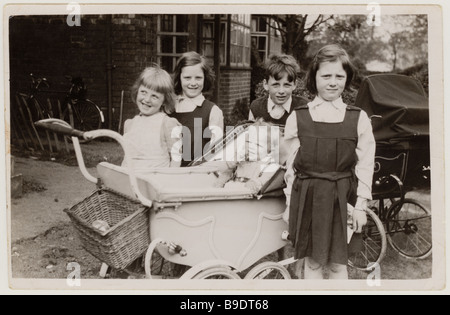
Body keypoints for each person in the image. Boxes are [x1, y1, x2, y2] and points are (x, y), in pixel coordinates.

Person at [283, 44, 376, 279]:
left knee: (338, 264)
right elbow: (290, 168)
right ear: (314, 78)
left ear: (347, 79)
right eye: (326, 76)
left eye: (339, 76)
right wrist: (289, 205)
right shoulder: (298, 117)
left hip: (342, 198)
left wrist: (361, 206)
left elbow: (365, 164)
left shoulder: (358, 118)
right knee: (312, 263)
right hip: (308, 196)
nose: (332, 82)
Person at [121, 65, 182, 171]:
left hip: (157, 179)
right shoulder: (130, 124)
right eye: (143, 92)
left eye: (154, 96)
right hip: (132, 179)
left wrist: (171, 179)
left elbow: (176, 157)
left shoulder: (167, 123)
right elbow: (127, 158)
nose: (147, 99)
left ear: (164, 100)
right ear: (137, 91)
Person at [205, 118, 288, 194]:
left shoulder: (268, 165)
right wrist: (230, 167)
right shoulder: (241, 162)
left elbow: (264, 181)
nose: (250, 147)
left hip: (246, 201)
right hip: (228, 197)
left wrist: (255, 183)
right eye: (248, 142)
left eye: (257, 145)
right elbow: (225, 173)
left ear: (270, 151)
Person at [171, 51, 224, 167]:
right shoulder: (169, 108)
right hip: (167, 174)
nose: (193, 83)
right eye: (187, 78)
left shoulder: (212, 111)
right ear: (179, 77)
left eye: (198, 78)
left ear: (205, 78)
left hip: (197, 175)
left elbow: (216, 152)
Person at [248, 54, 309, 125]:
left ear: (294, 85)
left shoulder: (304, 107)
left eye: (287, 85)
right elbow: (250, 134)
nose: (281, 91)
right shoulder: (256, 107)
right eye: (275, 85)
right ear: (266, 84)